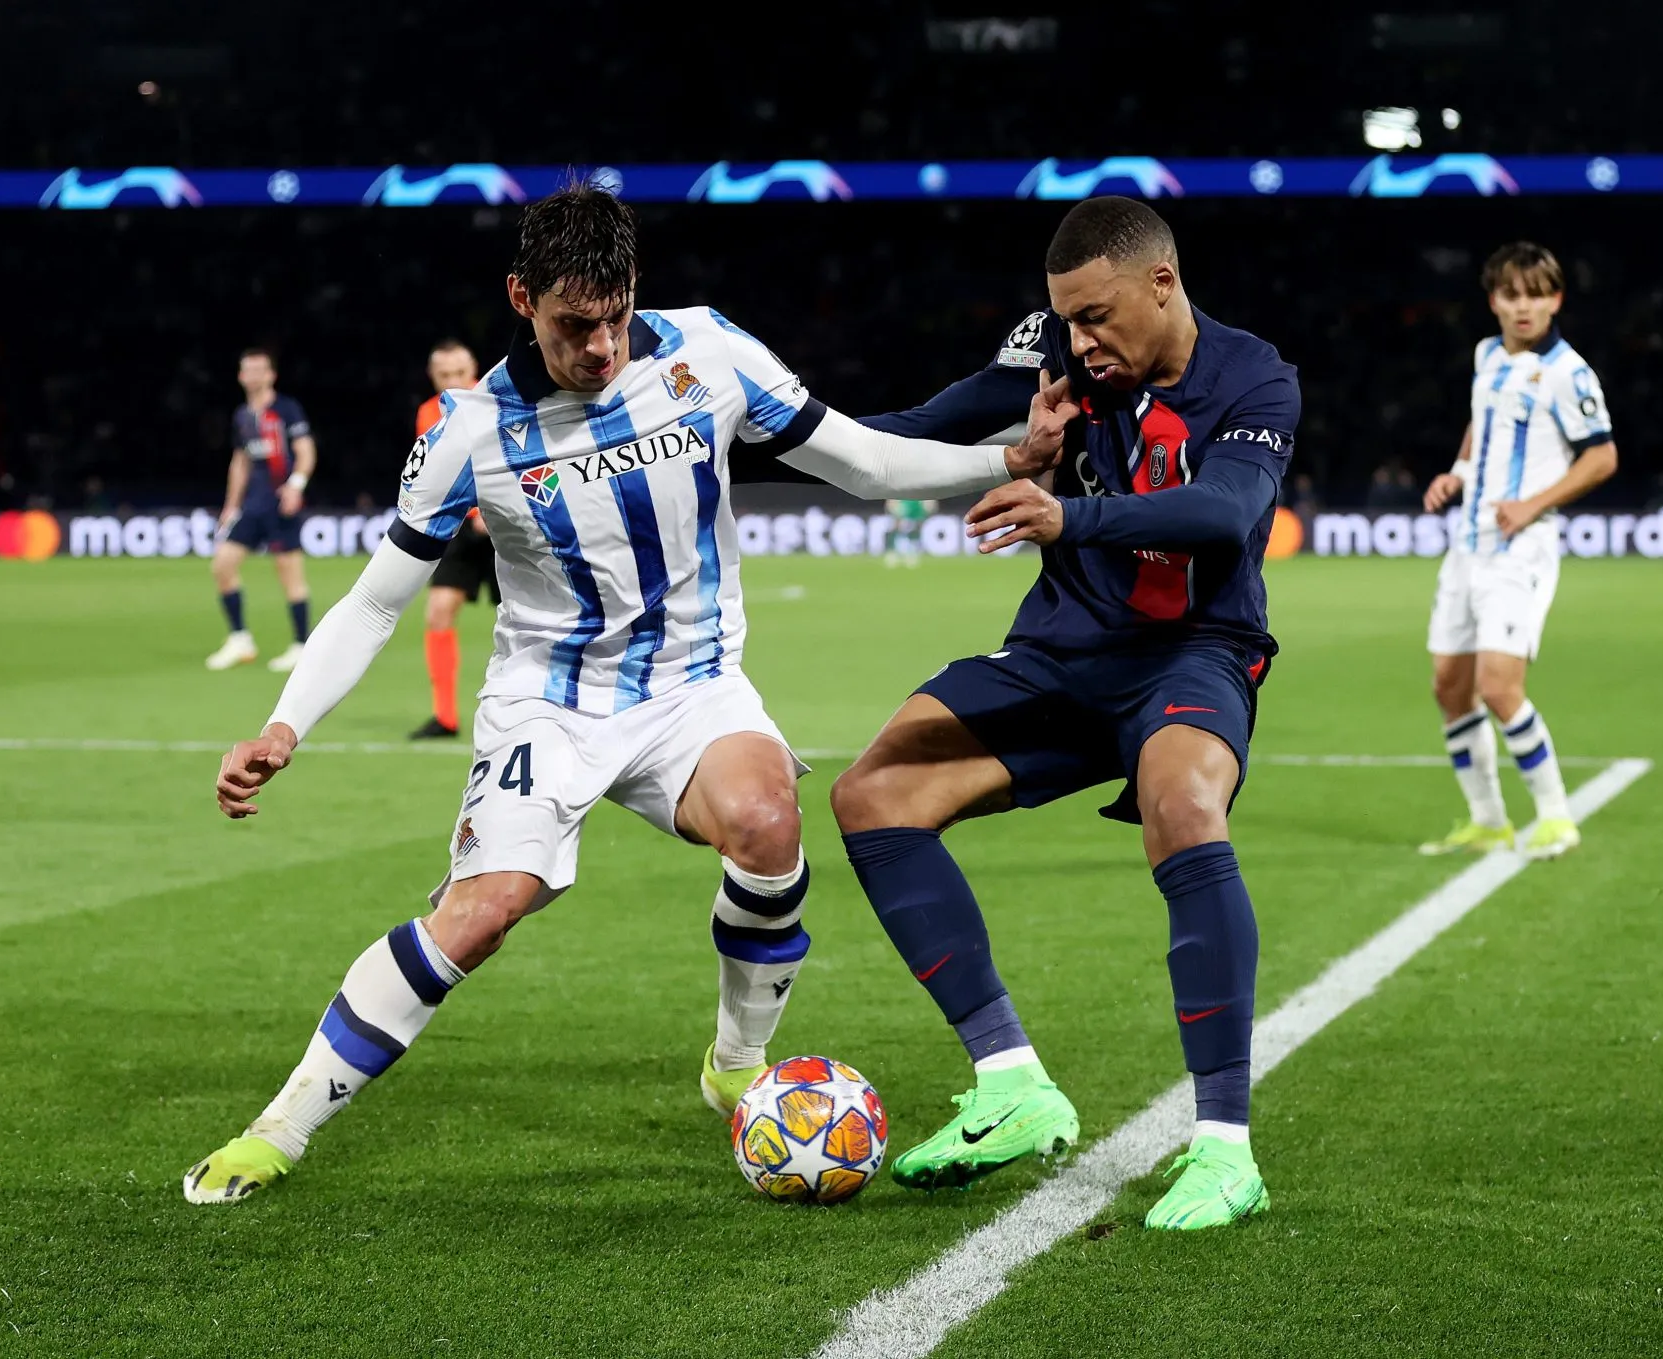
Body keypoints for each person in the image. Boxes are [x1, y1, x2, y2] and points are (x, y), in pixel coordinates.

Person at [182, 183, 1071, 1205]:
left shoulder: (708, 353)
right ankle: (278, 1127)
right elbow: (377, 602)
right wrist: (283, 725)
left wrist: (1005, 455)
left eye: (613, 316)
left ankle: (735, 1062)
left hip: (691, 686)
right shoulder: (471, 432)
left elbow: (862, 462)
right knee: (479, 915)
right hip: (547, 704)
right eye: (572, 324)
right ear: (521, 297)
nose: (600, 346)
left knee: (768, 820)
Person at [833, 196, 1300, 1231]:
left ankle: (1226, 1146)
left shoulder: (1253, 376)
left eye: (1096, 317)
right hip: (1059, 653)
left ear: (1161, 284)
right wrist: (744, 435)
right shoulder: (1054, 351)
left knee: (1183, 800)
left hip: (1192, 652)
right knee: (873, 793)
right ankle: (1011, 1083)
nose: (1078, 343)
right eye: (1065, 321)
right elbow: (918, 427)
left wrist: (1065, 510)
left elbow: (1223, 512)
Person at [1416, 242, 1619, 861]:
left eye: (1536, 294)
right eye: (1511, 294)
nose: (1523, 306)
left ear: (1555, 299)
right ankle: (1489, 820)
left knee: (1500, 687)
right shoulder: (1486, 355)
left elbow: (1602, 456)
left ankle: (1556, 816)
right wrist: (1457, 471)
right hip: (1469, 542)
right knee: (1450, 686)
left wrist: (1533, 505)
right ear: (1494, 301)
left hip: (1520, 548)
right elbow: (1483, 420)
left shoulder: (1568, 372)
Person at [205, 348, 317, 673]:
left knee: (289, 573)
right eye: (248, 370)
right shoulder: (242, 415)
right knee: (222, 565)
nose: (253, 375)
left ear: (271, 375)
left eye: (259, 370)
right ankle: (240, 639)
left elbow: (306, 451)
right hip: (252, 505)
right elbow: (240, 461)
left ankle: (300, 645)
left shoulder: (286, 410)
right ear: (241, 376)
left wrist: (296, 485)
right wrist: (231, 505)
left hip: (281, 502)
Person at [410, 339, 496, 739]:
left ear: (473, 369)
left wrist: (490, 511)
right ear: (433, 377)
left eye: (459, 373)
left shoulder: (498, 399)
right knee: (439, 610)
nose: (452, 382)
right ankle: (445, 716)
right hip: (463, 525)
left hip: (506, 523)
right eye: (443, 375)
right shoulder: (429, 413)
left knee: (525, 616)